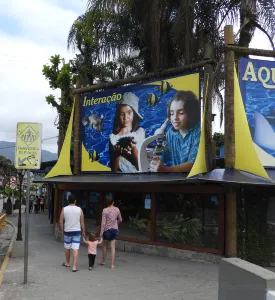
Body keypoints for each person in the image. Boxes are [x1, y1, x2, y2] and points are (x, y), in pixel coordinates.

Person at [150, 90, 201, 173]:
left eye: (181, 113)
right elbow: (163, 155)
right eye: (172, 113)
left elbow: (193, 164)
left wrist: (167, 170)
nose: (174, 118)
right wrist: (157, 158)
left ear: (191, 113)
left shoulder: (198, 132)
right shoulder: (170, 134)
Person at [109, 92, 145, 172]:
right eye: (122, 114)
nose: (125, 117)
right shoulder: (112, 137)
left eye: (129, 112)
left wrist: (133, 149)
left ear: (134, 114)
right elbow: (114, 170)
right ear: (118, 115)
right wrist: (117, 154)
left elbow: (140, 167)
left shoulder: (140, 132)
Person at [59, 194, 85, 272]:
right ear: (75, 201)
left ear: (68, 201)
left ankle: (67, 263)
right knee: (75, 248)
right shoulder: (79, 209)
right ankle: (74, 266)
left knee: (67, 247)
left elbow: (60, 221)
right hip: (77, 231)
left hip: (67, 231)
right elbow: (82, 222)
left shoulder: (64, 209)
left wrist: (62, 230)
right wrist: (83, 231)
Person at [99, 198, 122, 269]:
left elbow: (103, 223)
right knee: (113, 247)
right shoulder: (117, 209)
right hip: (114, 229)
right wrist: (116, 223)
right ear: (113, 202)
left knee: (105, 245)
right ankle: (112, 264)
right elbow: (120, 219)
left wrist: (101, 232)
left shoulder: (105, 210)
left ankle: (103, 261)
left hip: (107, 230)